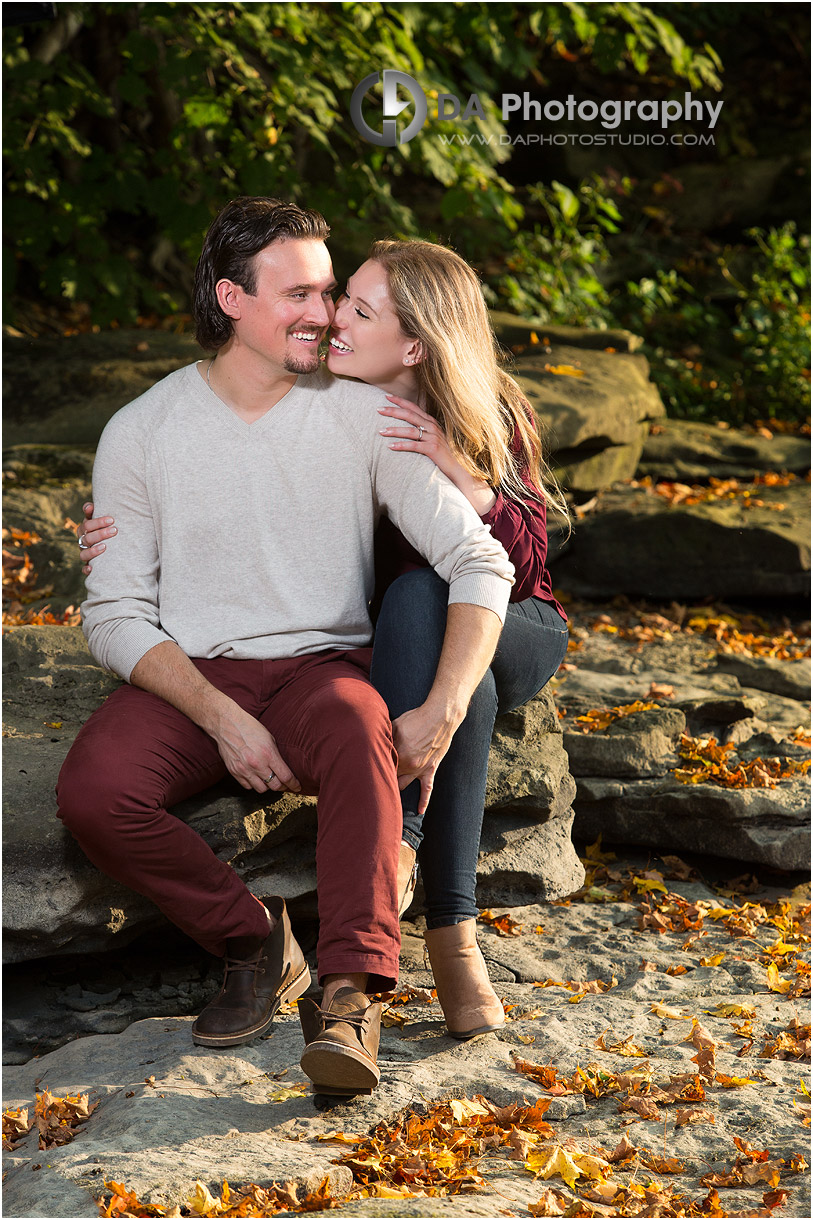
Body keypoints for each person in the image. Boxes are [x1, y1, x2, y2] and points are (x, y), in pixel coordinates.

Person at [59, 196, 516, 1098]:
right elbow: (113, 612)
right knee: (94, 792)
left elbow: (477, 557)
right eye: (299, 293)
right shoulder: (141, 431)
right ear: (231, 298)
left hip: (320, 670)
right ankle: (255, 942)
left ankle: (350, 996)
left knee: (360, 730)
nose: (322, 313)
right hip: (192, 677)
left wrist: (449, 701)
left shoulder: (359, 415)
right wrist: (220, 716)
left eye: (330, 292)